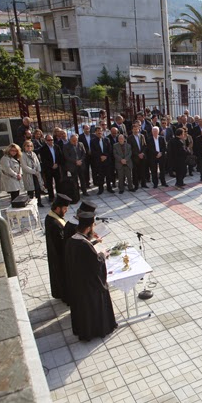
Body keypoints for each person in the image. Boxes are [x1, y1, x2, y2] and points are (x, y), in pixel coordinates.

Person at [64, 211, 117, 341]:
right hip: (89, 285)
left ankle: (83, 331)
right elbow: (96, 263)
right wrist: (103, 254)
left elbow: (82, 256)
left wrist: (93, 244)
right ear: (88, 228)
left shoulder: (72, 240)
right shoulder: (84, 244)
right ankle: (97, 330)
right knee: (94, 305)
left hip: (77, 283)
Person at [45, 193, 72, 302]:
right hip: (60, 255)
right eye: (64, 209)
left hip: (57, 253)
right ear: (57, 208)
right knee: (63, 276)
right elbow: (61, 242)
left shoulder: (52, 216)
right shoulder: (54, 223)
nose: (66, 211)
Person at [39, 133, 63, 201]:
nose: (50, 141)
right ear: (46, 140)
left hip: (56, 167)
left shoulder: (56, 147)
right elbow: (43, 159)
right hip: (48, 169)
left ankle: (59, 196)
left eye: (51, 140)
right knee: (49, 183)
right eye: (49, 140)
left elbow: (60, 156)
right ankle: (51, 197)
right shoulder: (43, 149)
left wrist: (57, 164)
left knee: (58, 182)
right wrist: (51, 165)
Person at [90, 126, 114, 195]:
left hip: (107, 161)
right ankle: (101, 189)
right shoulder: (93, 141)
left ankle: (109, 188)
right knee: (100, 176)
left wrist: (105, 156)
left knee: (108, 175)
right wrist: (100, 156)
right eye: (97, 131)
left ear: (102, 132)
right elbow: (93, 151)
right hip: (99, 161)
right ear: (95, 132)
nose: (99, 132)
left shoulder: (107, 140)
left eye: (100, 131)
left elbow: (109, 149)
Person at [21, 141, 44, 207]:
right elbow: (24, 167)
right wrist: (33, 171)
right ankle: (31, 204)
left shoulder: (33, 154)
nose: (29, 147)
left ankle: (39, 202)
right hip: (29, 174)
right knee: (30, 190)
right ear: (24, 147)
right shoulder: (22, 155)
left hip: (36, 174)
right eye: (27, 146)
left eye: (30, 146)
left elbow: (37, 162)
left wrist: (38, 170)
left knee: (38, 188)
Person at [128, 124, 148, 189]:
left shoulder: (142, 136)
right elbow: (130, 148)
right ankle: (136, 185)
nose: (136, 130)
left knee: (143, 171)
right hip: (135, 158)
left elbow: (145, 146)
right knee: (135, 172)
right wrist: (138, 154)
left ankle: (143, 184)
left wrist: (142, 153)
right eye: (134, 129)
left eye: (137, 129)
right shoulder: (129, 138)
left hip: (142, 157)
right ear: (132, 130)